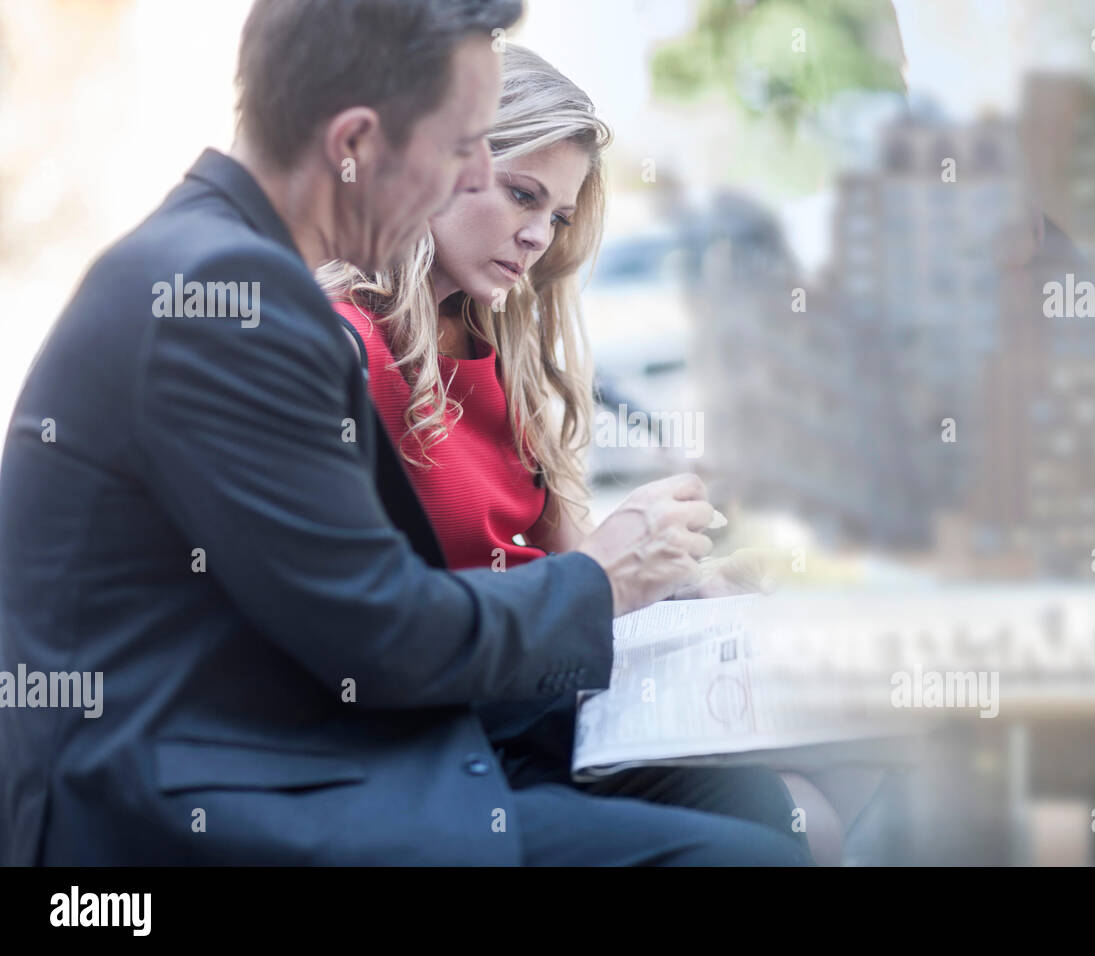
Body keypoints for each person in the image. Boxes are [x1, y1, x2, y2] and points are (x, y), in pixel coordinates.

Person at [0, 0, 807, 867]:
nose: (464, 183)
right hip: (194, 810)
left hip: (289, 754)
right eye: (464, 149)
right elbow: (385, 637)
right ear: (355, 144)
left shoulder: (218, 266)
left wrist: (641, 596)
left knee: (760, 809)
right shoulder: (233, 299)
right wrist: (601, 581)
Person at [316, 44, 805, 847]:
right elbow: (362, 624)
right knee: (752, 839)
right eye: (521, 195)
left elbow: (564, 571)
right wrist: (600, 583)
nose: (540, 235)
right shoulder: (342, 349)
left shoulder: (494, 351)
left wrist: (682, 593)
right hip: (436, 748)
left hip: (537, 711)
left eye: (561, 216)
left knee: (791, 797)